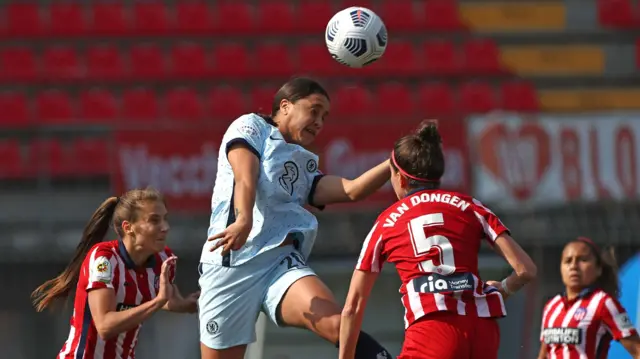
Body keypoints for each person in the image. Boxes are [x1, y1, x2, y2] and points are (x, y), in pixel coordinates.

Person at [199, 77, 393, 359]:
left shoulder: (302, 160)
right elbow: (245, 177)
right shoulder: (251, 126)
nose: (319, 122)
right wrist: (243, 220)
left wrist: (394, 161)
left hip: (279, 264)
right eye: (314, 110)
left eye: (324, 117)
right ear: (285, 106)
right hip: (231, 264)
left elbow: (351, 190)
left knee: (339, 325)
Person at [338, 122, 538, 359]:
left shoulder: (386, 221)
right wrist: (504, 288)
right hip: (483, 331)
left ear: (400, 179)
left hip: (433, 331)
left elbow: (352, 307)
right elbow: (526, 270)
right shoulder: (471, 206)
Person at [31, 188, 199, 359]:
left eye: (165, 219)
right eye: (154, 220)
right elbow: (104, 326)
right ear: (129, 228)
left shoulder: (164, 259)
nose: (165, 227)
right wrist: (157, 302)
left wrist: (190, 304)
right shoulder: (104, 259)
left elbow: (168, 299)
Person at [538, 237, 640, 359]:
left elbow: (637, 350)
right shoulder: (551, 306)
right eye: (568, 261)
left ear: (598, 269)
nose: (574, 266)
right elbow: (544, 355)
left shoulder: (604, 303)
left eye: (583, 260)